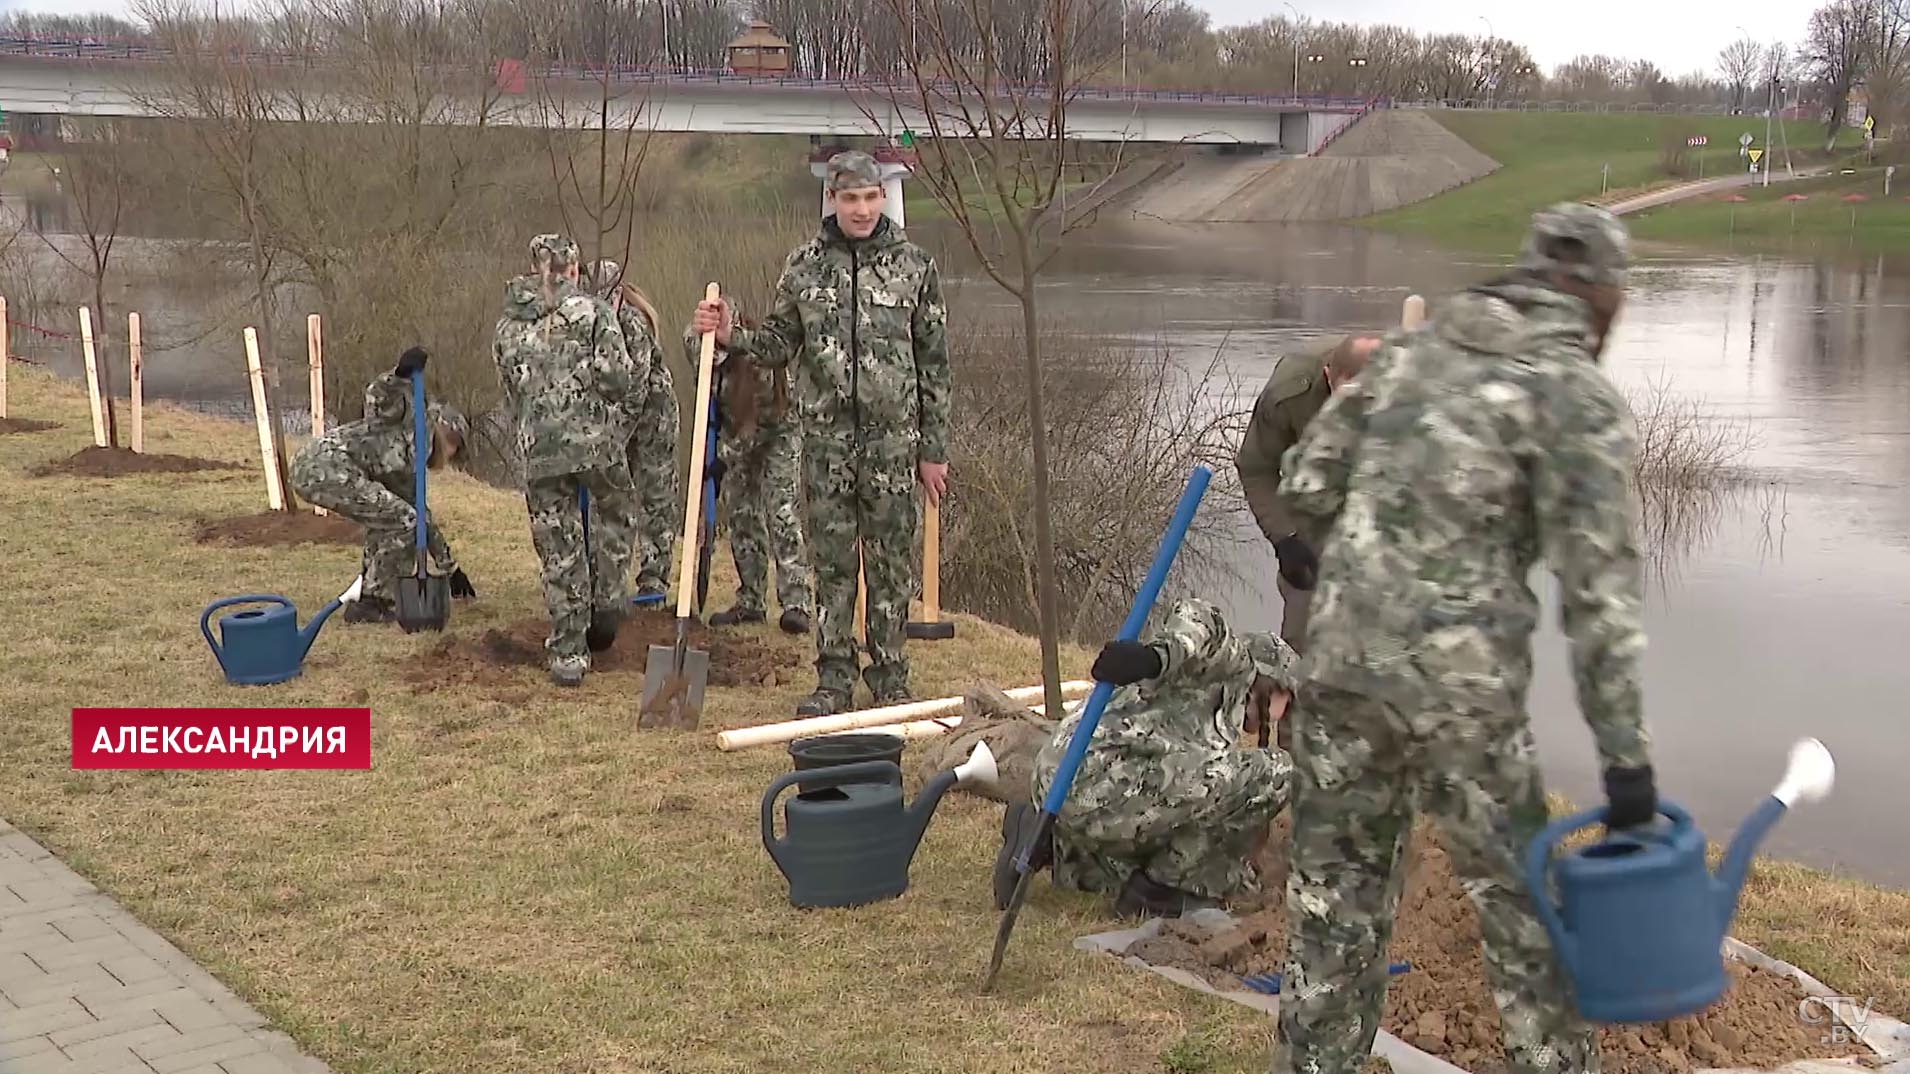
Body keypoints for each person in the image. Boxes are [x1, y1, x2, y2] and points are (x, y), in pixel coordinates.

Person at [1269, 203, 1658, 1074]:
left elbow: (1307, 479)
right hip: (1460, 695)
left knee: (1335, 913)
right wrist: (1626, 766)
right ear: (1599, 295)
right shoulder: (1576, 395)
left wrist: (1386, 547)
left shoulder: (1412, 354)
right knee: (1528, 920)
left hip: (1339, 668)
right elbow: (1599, 598)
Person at [691, 150, 953, 716]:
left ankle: (889, 675)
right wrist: (731, 333)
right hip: (826, 445)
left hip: (893, 445)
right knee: (833, 566)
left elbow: (934, 364)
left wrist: (933, 451)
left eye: (870, 197)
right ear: (832, 200)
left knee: (888, 565)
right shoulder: (805, 266)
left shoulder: (914, 266)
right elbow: (779, 346)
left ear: (883, 197)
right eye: (850, 198)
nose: (861, 209)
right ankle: (833, 676)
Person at [998, 598, 1300, 919]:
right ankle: (1160, 893)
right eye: (1289, 701)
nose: (1283, 716)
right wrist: (1153, 658)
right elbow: (1198, 617)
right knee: (1278, 770)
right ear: (1274, 682)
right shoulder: (1231, 666)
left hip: (1065, 781)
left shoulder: (1218, 719)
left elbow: (1189, 814)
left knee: (1147, 854)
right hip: (1097, 772)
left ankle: (1049, 840)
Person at [493, 234, 647, 687]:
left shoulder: (507, 325)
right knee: (617, 512)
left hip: (538, 448)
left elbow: (509, 389)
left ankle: (568, 652)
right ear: (575, 269)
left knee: (557, 548)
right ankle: (607, 600)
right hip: (595, 442)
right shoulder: (594, 313)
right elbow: (618, 379)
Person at [289, 348, 476, 624]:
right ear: (443, 430)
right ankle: (373, 602)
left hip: (326, 470)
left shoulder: (411, 462)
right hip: (325, 467)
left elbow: (422, 516)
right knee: (403, 521)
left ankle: (369, 596)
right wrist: (399, 375)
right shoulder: (406, 420)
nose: (449, 454)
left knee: (392, 519)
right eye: (453, 444)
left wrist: (451, 568)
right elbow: (378, 397)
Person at [1234, 332, 1380, 652]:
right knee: (1304, 637)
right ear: (1328, 376)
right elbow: (1256, 467)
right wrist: (1285, 538)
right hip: (1316, 512)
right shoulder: (1290, 394)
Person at [687, 317, 814, 635]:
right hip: (733, 432)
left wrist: (724, 458)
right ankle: (751, 600)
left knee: (781, 511)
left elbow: (763, 421)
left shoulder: (756, 359)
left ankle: (796, 603)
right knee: (742, 514)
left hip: (777, 431)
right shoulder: (697, 345)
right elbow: (706, 401)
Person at [584, 257, 680, 605]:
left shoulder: (632, 322)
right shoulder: (589, 321)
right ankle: (606, 578)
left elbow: (636, 391)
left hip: (654, 417)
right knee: (609, 496)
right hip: (616, 417)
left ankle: (654, 580)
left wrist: (611, 442)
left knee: (655, 497)